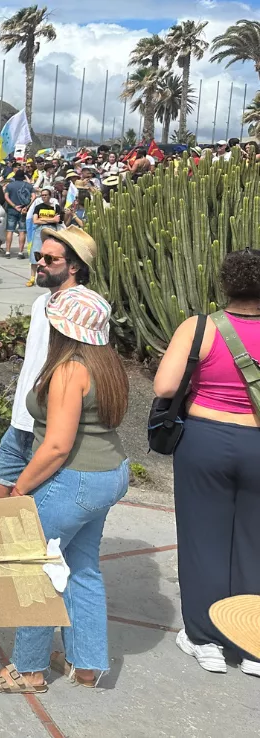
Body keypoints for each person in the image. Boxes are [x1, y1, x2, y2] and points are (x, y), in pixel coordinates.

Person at [0, 286, 130, 694]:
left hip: (74, 479)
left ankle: (28, 669)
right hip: (108, 472)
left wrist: (19, 489)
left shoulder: (69, 369)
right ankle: (86, 664)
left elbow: (57, 446)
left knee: (37, 570)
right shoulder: (106, 363)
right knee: (81, 565)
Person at [154, 248, 260, 676]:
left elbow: (164, 386)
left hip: (205, 440)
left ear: (225, 284)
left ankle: (205, 639)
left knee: (202, 539)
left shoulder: (200, 327)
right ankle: (252, 645)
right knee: (254, 543)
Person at [0, 227, 98, 502]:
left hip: (49, 421)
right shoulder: (41, 302)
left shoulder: (82, 308)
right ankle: (21, 530)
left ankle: (30, 530)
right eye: (39, 256)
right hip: (23, 419)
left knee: (29, 494)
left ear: (74, 267)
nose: (40, 264)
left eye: (50, 259)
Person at [3, 170, 33, 259]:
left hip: (12, 210)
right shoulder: (29, 185)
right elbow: (34, 196)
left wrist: (14, 206)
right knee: (22, 231)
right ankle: (20, 252)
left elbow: (6, 197)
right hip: (23, 210)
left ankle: (7, 252)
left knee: (10, 230)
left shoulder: (10, 185)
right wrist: (27, 206)